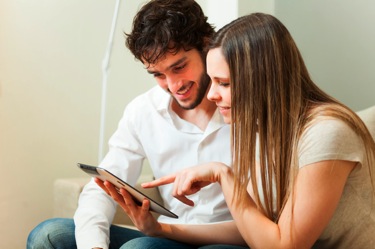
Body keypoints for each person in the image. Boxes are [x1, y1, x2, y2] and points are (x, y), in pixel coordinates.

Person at [140, 13, 375, 248]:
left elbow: (284, 246)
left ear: (263, 79)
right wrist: (161, 229)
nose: (211, 95)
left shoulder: (326, 133)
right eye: (212, 81)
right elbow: (251, 230)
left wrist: (222, 175)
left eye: (224, 83)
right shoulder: (266, 133)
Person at [27, 1, 237, 248]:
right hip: (168, 237)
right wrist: (94, 246)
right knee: (48, 235)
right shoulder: (144, 111)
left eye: (179, 67)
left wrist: (160, 230)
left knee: (138, 248)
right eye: (158, 74)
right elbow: (103, 186)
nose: (173, 85)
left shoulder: (245, 106)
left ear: (205, 44)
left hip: (229, 240)